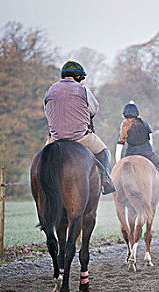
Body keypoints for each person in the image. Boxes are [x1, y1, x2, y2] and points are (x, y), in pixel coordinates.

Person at [44, 60, 116, 194]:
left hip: (55, 139)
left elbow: (47, 112)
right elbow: (94, 110)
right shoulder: (83, 90)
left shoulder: (50, 90)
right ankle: (106, 181)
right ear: (78, 77)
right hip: (80, 138)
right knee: (104, 152)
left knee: (43, 158)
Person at [115, 101, 159, 189]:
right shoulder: (145, 124)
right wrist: (150, 150)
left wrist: (118, 163)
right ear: (137, 114)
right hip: (147, 153)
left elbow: (119, 147)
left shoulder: (123, 127)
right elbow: (151, 140)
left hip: (130, 154)